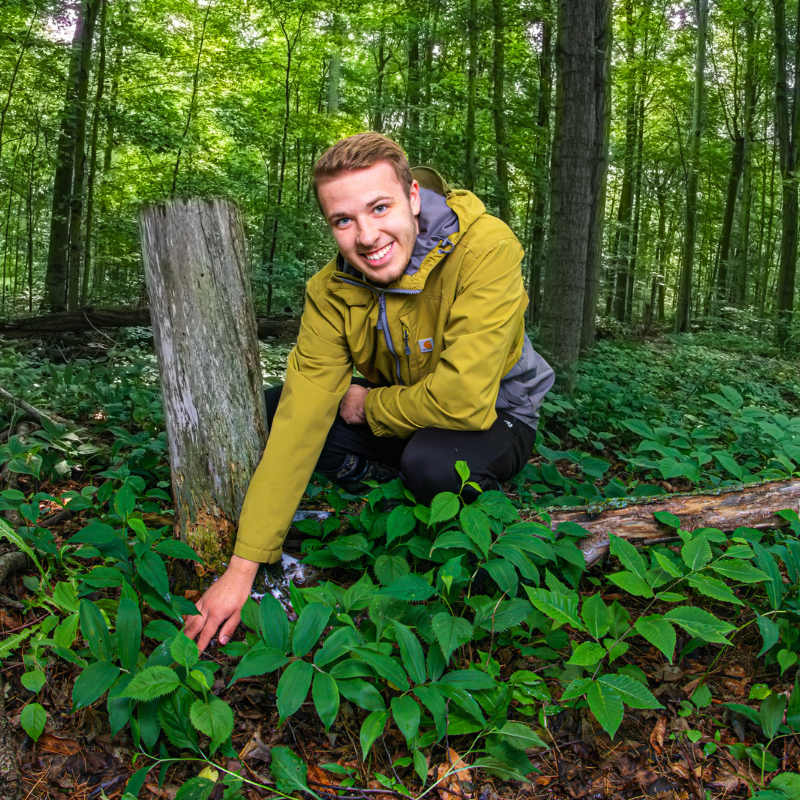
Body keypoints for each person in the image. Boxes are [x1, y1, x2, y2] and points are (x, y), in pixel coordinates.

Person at [185, 132, 554, 651]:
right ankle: (388, 485)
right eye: (343, 220)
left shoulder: (486, 247)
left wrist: (368, 405)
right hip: (407, 410)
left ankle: (481, 525)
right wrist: (243, 567)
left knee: (434, 464)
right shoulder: (330, 291)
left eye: (379, 207)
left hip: (496, 416)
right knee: (273, 409)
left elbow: (464, 399)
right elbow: (300, 420)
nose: (366, 236)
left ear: (412, 198)